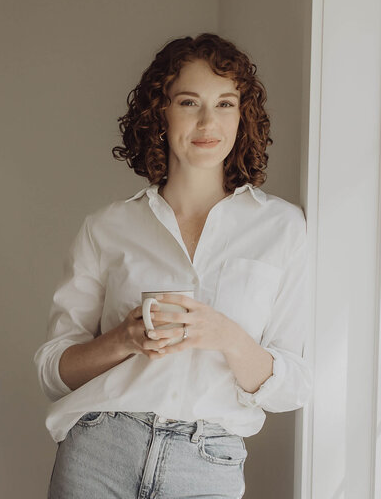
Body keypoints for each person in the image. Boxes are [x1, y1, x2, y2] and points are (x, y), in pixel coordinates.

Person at [34, 32, 313, 499]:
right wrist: (123, 339)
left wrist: (226, 336)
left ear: (243, 115)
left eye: (225, 103)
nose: (209, 121)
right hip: (100, 449)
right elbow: (52, 372)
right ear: (160, 112)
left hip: (208, 461)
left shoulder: (282, 228)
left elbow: (293, 387)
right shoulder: (106, 227)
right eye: (189, 102)